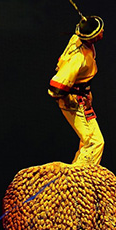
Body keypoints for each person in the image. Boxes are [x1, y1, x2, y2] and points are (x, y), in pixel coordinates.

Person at [48, 14, 105, 166]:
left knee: (91, 140)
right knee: (93, 142)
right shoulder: (78, 58)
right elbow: (57, 86)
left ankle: (80, 168)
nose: (102, 31)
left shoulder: (77, 39)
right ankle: (82, 174)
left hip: (82, 98)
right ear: (92, 37)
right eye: (100, 30)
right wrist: (69, 99)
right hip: (74, 101)